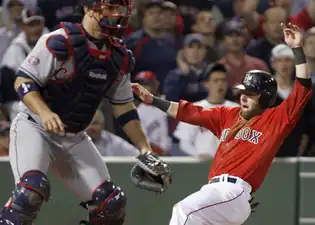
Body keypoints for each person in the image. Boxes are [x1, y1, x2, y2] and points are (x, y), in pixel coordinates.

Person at [0, 0, 172, 225]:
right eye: (110, 7)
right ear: (89, 8)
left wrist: (145, 149)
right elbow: (23, 82)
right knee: (30, 191)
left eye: (119, 8)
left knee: (111, 204)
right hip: (34, 126)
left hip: (74, 136)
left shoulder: (119, 56)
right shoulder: (58, 41)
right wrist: (44, 113)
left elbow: (124, 107)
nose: (117, 14)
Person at [132, 23, 312, 225]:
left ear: (265, 97)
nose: (243, 97)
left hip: (234, 191)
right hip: (214, 190)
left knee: (184, 211)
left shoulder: (275, 119)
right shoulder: (227, 114)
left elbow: (303, 88)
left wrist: (297, 49)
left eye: (250, 94)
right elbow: (189, 112)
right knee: (184, 215)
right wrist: (153, 100)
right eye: (242, 92)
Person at [173, 63, 239, 158]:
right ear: (206, 84)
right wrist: (198, 155)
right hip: (202, 166)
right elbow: (184, 143)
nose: (220, 83)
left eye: (223, 80)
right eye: (216, 80)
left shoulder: (237, 109)